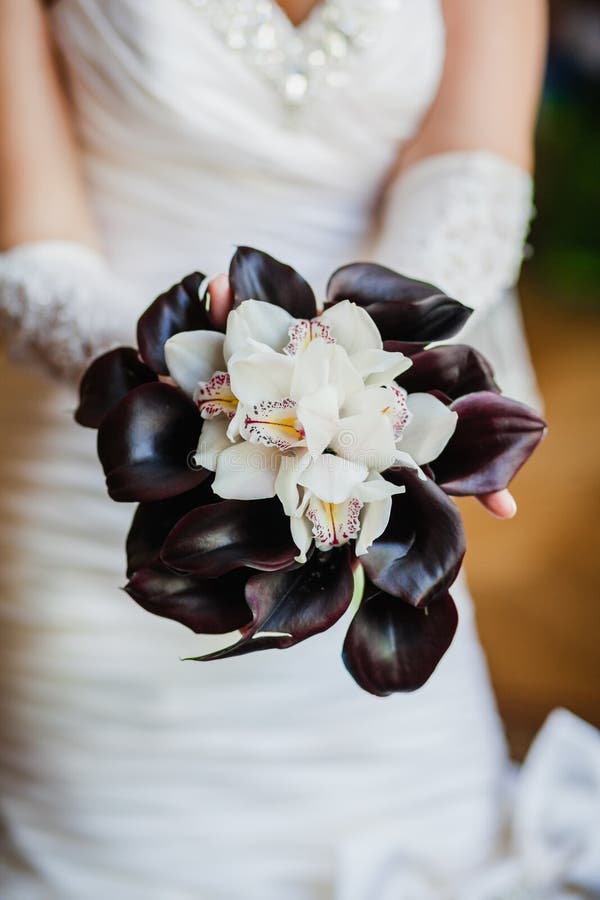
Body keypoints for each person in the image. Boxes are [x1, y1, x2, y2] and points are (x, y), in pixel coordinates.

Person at [1, 1, 597, 898]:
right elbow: (36, 259)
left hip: (363, 494)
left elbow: (470, 178)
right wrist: (214, 391)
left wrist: (371, 411)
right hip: (105, 506)